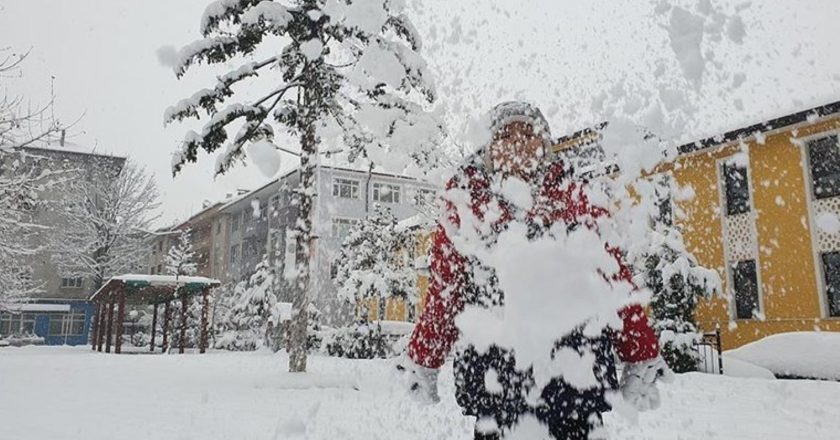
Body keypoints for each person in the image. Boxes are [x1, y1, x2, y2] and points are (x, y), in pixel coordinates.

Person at [398, 102, 673, 440]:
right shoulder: (466, 203)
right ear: (488, 146)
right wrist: (425, 359)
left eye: (528, 133)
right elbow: (445, 292)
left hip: (575, 379)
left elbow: (613, 279)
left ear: (544, 143)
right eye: (505, 135)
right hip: (494, 382)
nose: (517, 143)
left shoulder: (574, 196)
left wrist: (640, 352)